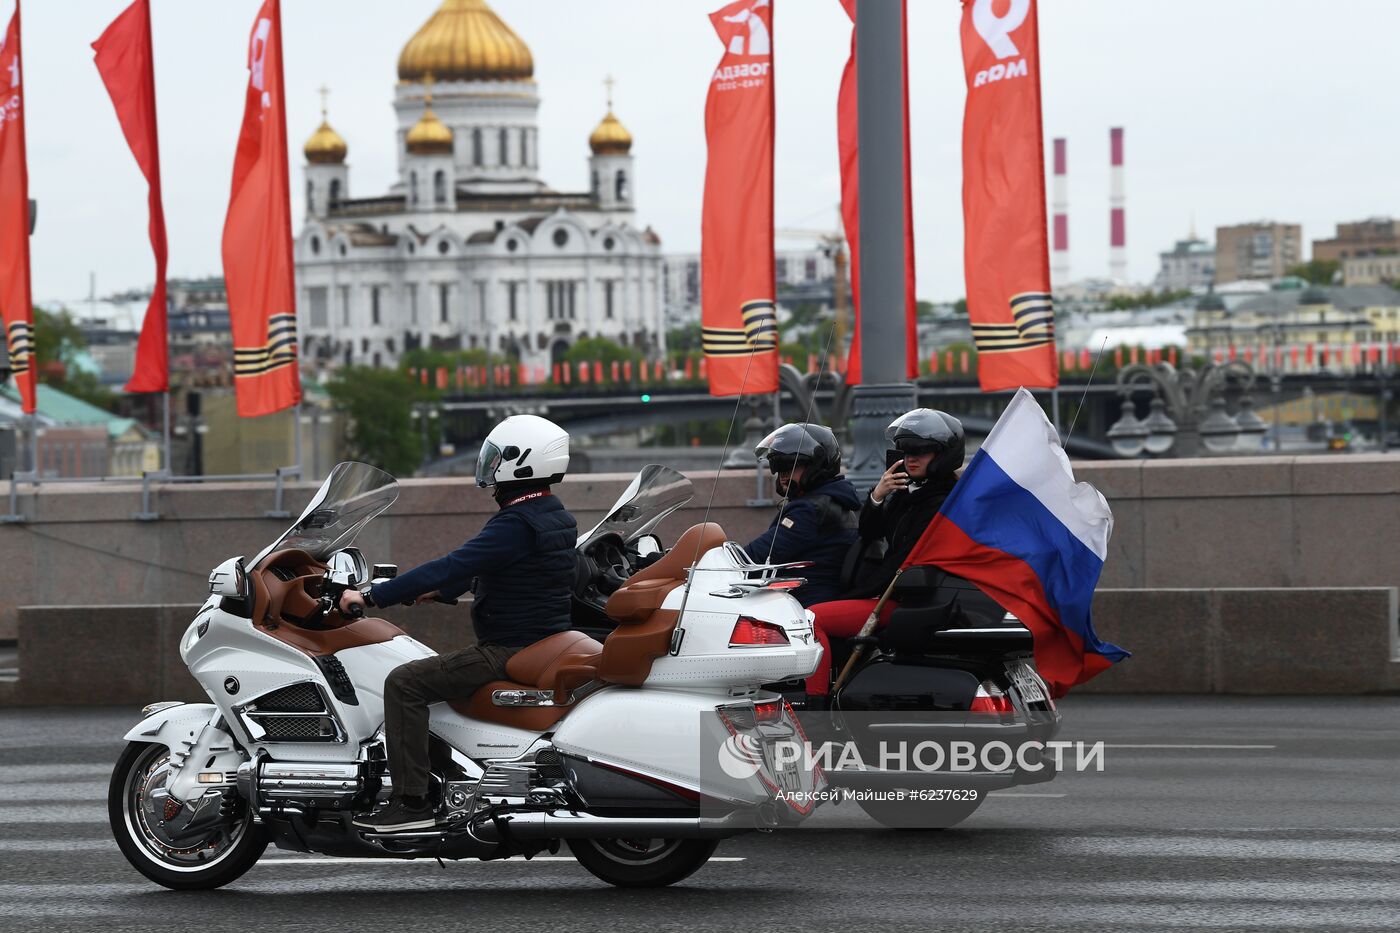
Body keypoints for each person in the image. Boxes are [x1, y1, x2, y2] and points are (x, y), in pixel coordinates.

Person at [338, 414, 576, 833]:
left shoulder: (515, 523)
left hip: (509, 648)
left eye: (496, 457)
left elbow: (455, 562)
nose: (488, 466)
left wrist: (372, 596)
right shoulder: (551, 513)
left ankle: (411, 802)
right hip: (543, 639)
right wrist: (442, 591)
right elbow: (503, 570)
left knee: (404, 683)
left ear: (522, 463)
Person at [803, 408, 965, 701]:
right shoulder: (913, 494)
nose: (910, 458)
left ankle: (814, 709)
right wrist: (879, 495)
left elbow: (901, 560)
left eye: (922, 450)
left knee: (813, 618)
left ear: (943, 454)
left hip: (909, 600)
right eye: (904, 450)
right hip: (902, 594)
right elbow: (869, 532)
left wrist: (860, 593)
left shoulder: (940, 503)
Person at [744, 423, 860, 606]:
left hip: (803, 604)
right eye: (778, 467)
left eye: (791, 465)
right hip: (810, 597)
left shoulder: (810, 511)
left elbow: (756, 558)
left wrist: (719, 562)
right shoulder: (833, 501)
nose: (782, 474)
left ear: (817, 466)